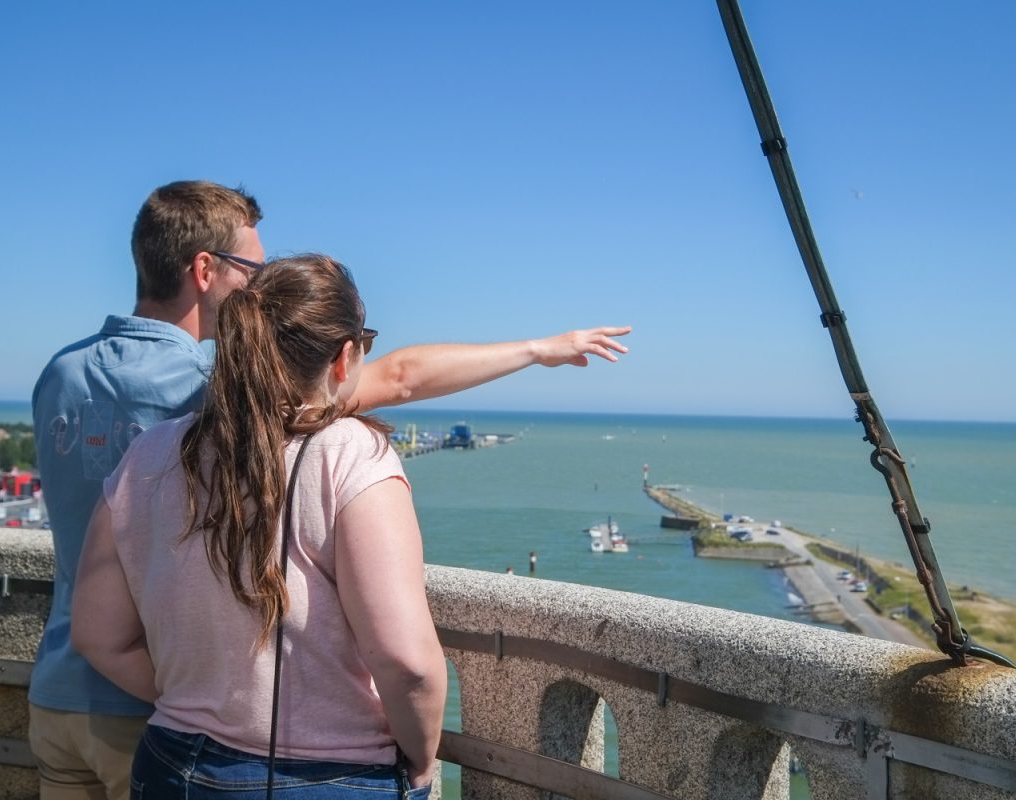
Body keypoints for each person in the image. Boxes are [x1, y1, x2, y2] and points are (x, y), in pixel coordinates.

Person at [30, 179, 629, 799]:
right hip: (178, 709)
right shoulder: (227, 381)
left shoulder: (61, 372)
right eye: (249, 269)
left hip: (66, 694)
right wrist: (538, 349)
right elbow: (395, 379)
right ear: (205, 269)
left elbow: (97, 607)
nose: (254, 290)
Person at [72, 254, 445, 797]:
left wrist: (198, 707)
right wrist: (422, 759)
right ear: (344, 358)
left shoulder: (149, 452)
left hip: (170, 765)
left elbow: (96, 636)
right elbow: (406, 663)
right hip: (326, 775)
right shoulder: (352, 454)